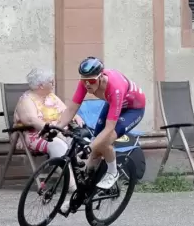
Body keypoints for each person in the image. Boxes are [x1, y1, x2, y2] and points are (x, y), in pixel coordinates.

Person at [53, 56, 145, 190]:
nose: (87, 84)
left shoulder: (115, 87)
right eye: (84, 81)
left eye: (91, 81)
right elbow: (72, 109)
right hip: (112, 103)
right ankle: (83, 191)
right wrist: (57, 127)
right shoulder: (86, 81)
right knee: (96, 141)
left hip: (133, 110)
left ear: (101, 77)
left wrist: (90, 147)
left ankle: (113, 172)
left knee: (104, 140)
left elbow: (109, 129)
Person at [14, 68, 84, 211]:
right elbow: (33, 120)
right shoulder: (27, 100)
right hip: (37, 135)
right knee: (58, 145)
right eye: (51, 82)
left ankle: (83, 180)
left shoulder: (52, 96)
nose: (54, 84)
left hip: (59, 131)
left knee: (79, 142)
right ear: (40, 85)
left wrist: (74, 116)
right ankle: (72, 186)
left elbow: (65, 111)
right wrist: (51, 130)